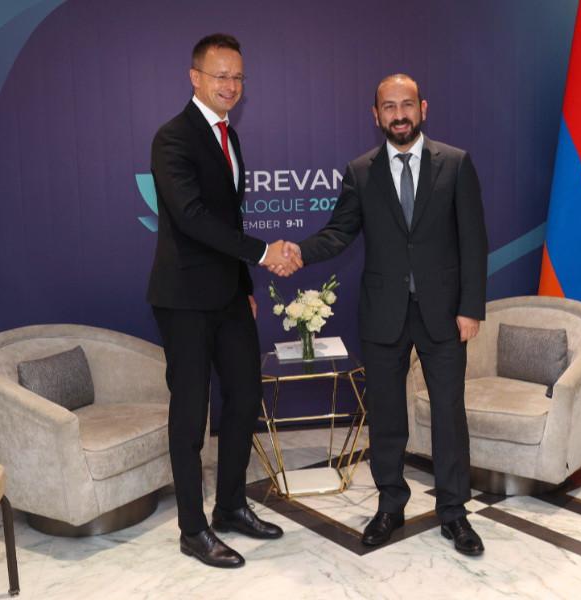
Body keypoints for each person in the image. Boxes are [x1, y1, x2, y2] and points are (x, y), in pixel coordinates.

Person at [282, 74, 488, 556]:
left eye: (407, 104)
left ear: (423, 108)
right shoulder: (360, 171)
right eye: (389, 106)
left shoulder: (456, 163)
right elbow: (339, 233)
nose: (399, 114)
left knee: (449, 415)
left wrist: (470, 308)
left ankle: (454, 512)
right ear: (375, 115)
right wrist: (299, 252)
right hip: (383, 314)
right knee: (387, 414)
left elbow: (473, 241)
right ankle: (390, 504)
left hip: (443, 313)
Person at [148, 33, 301, 568]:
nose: (231, 85)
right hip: (185, 299)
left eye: (238, 77)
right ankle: (193, 529)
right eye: (220, 75)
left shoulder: (229, 136)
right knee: (192, 414)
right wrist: (263, 253)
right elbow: (192, 219)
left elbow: (228, 220)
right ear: (195, 77)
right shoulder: (172, 138)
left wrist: (245, 287)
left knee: (245, 398)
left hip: (229, 296)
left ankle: (231, 506)